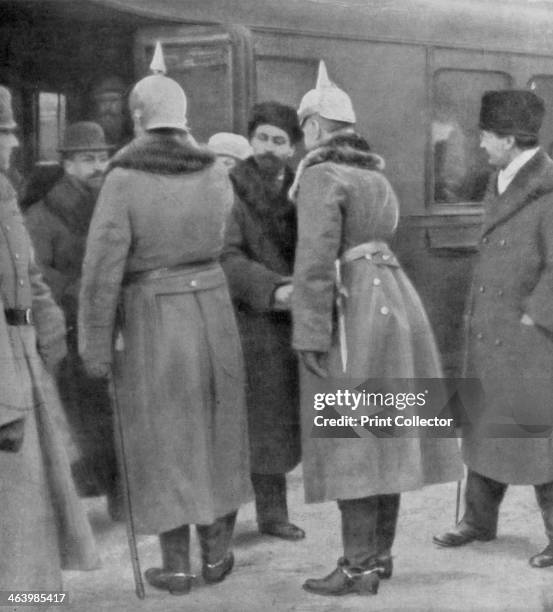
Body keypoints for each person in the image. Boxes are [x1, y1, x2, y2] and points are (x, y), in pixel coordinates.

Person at [78, 62, 252, 595]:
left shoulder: (124, 180)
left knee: (164, 438)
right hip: (215, 311)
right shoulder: (217, 174)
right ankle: (218, 554)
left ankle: (177, 566)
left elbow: (102, 272)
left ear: (137, 118)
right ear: (184, 119)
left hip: (154, 316)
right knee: (217, 430)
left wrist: (95, 349)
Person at [291, 61, 463, 596]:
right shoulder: (376, 177)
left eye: (304, 130)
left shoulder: (321, 176)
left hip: (353, 314)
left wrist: (309, 334)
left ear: (316, 127)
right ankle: (379, 555)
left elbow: (316, 263)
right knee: (387, 428)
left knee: (351, 435)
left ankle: (357, 565)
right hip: (394, 301)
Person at [433, 90, 553, 569]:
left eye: (485, 135)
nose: (480, 144)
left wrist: (536, 317)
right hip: (493, 327)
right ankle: (479, 521)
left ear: (508, 139)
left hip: (528, 335)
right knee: (484, 422)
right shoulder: (505, 179)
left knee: (537, 431)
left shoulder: (547, 186)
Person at [0, 85, 99, 590]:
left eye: (14, 130)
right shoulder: (29, 204)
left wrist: (50, 327)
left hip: (28, 353)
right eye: (4, 132)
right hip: (8, 361)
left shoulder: (4, 194)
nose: (14, 142)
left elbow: (30, 277)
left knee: (29, 497)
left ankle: (28, 594)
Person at [24, 121, 122, 517]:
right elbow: (36, 273)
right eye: (86, 159)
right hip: (71, 326)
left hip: (115, 322)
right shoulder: (42, 214)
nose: (97, 166)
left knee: (117, 412)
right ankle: (111, 491)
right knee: (90, 415)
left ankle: (121, 492)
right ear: (67, 164)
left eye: (102, 158)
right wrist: (87, 287)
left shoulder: (114, 203)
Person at [221, 101, 305, 541]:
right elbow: (227, 256)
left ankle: (273, 516)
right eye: (261, 138)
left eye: (278, 140)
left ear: (292, 147)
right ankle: (223, 529)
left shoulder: (304, 188)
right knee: (243, 425)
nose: (268, 148)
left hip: (293, 322)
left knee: (277, 422)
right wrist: (274, 289)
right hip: (247, 321)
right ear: (250, 140)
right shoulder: (229, 188)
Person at [89, 75, 132, 150]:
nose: (108, 106)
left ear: (123, 103)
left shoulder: (131, 127)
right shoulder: (89, 130)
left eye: (113, 100)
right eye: (103, 101)